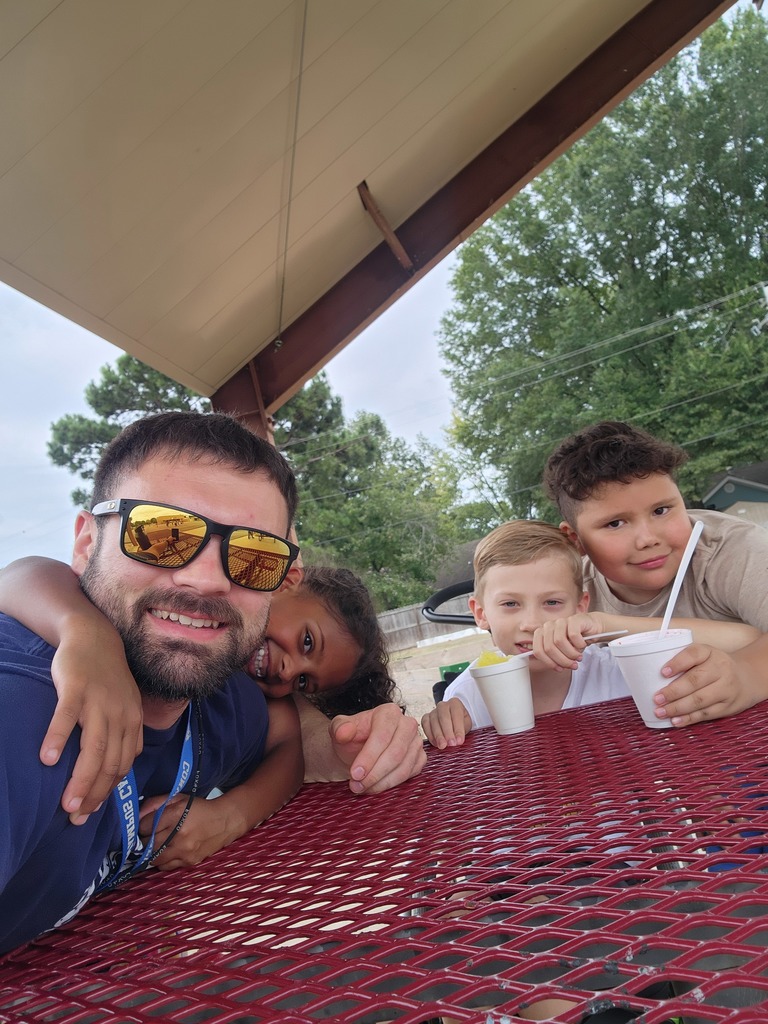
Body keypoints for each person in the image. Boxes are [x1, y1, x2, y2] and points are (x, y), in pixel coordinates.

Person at [0, 411, 424, 953]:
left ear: (277, 580)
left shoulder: (218, 702)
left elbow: (286, 739)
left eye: (252, 557)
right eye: (161, 534)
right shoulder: (24, 715)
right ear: (85, 543)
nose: (206, 578)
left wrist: (234, 815)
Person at [0, 557, 403, 869]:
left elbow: (287, 751)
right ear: (285, 583)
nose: (290, 670)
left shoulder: (241, 699)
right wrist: (88, 635)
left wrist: (229, 817)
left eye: (304, 683)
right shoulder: (161, 616)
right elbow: (23, 573)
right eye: (307, 642)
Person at [421, 520, 757, 749]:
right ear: (480, 613)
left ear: (581, 606)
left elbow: (748, 639)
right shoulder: (466, 695)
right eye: (510, 604)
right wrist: (442, 726)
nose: (532, 622)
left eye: (552, 602)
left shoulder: (617, 668)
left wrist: (605, 625)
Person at [540, 420, 768, 725]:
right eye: (615, 523)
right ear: (576, 540)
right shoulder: (569, 590)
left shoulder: (732, 550)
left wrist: (746, 675)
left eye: (662, 510)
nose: (648, 539)